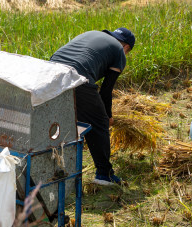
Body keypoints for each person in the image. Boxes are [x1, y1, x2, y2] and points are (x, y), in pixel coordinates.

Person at [50, 28, 135, 186]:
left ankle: (54, 168)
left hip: (50, 71)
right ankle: (104, 174)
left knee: (63, 120)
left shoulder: (93, 34)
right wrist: (108, 116)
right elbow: (106, 90)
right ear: (126, 48)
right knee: (98, 122)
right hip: (77, 76)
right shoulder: (119, 52)